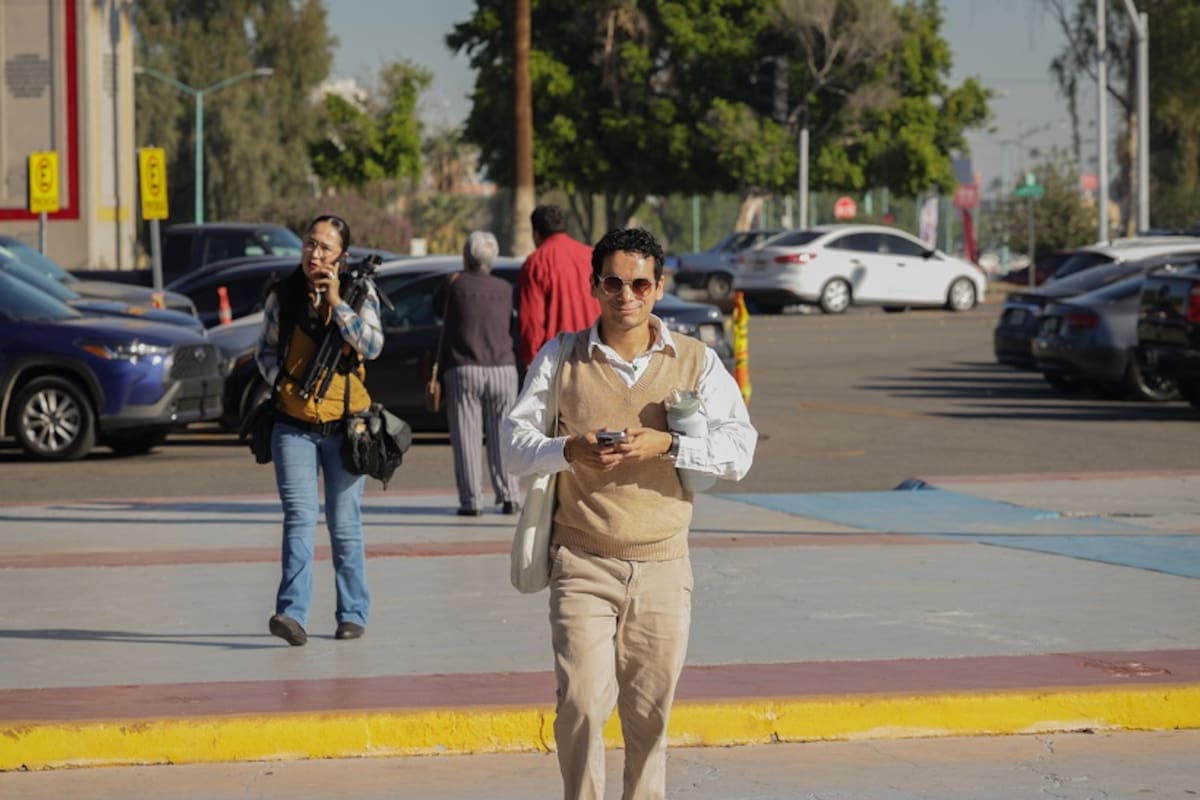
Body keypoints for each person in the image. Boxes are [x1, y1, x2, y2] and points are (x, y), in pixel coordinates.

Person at [502, 228, 757, 800]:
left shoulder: (695, 360)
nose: (627, 295)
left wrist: (665, 446)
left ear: (659, 287)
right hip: (582, 563)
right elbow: (512, 443)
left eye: (640, 283)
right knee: (580, 708)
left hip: (665, 567)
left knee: (650, 724)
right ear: (595, 286)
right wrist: (569, 450)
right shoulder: (561, 357)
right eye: (614, 282)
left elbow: (741, 451)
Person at [254, 214, 384, 646]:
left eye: (325, 247)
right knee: (299, 518)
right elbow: (265, 351)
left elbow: (372, 346)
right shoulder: (283, 294)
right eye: (310, 244)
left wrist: (337, 304)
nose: (315, 253)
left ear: (342, 257)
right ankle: (291, 615)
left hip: (347, 426)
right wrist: (282, 384)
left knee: (344, 523)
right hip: (293, 425)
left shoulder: (358, 293)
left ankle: (352, 613)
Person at [432, 231, 522, 517]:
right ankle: (510, 495)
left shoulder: (454, 285)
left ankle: (471, 501)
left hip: (464, 367)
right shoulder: (505, 288)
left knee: (467, 437)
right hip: (503, 369)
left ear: (465, 255)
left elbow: (436, 310)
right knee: (502, 436)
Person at [517, 204, 600, 367]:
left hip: (557, 360)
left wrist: (531, 361)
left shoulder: (536, 263)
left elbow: (531, 322)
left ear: (536, 234)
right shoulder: (592, 256)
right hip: (595, 355)